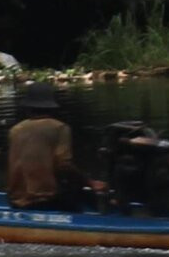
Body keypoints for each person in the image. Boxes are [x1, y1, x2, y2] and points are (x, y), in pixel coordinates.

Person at [6, 81, 103, 212]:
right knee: (84, 194)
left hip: (15, 201)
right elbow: (63, 165)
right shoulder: (60, 128)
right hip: (45, 201)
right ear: (52, 108)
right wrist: (90, 183)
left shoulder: (15, 130)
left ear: (28, 109)